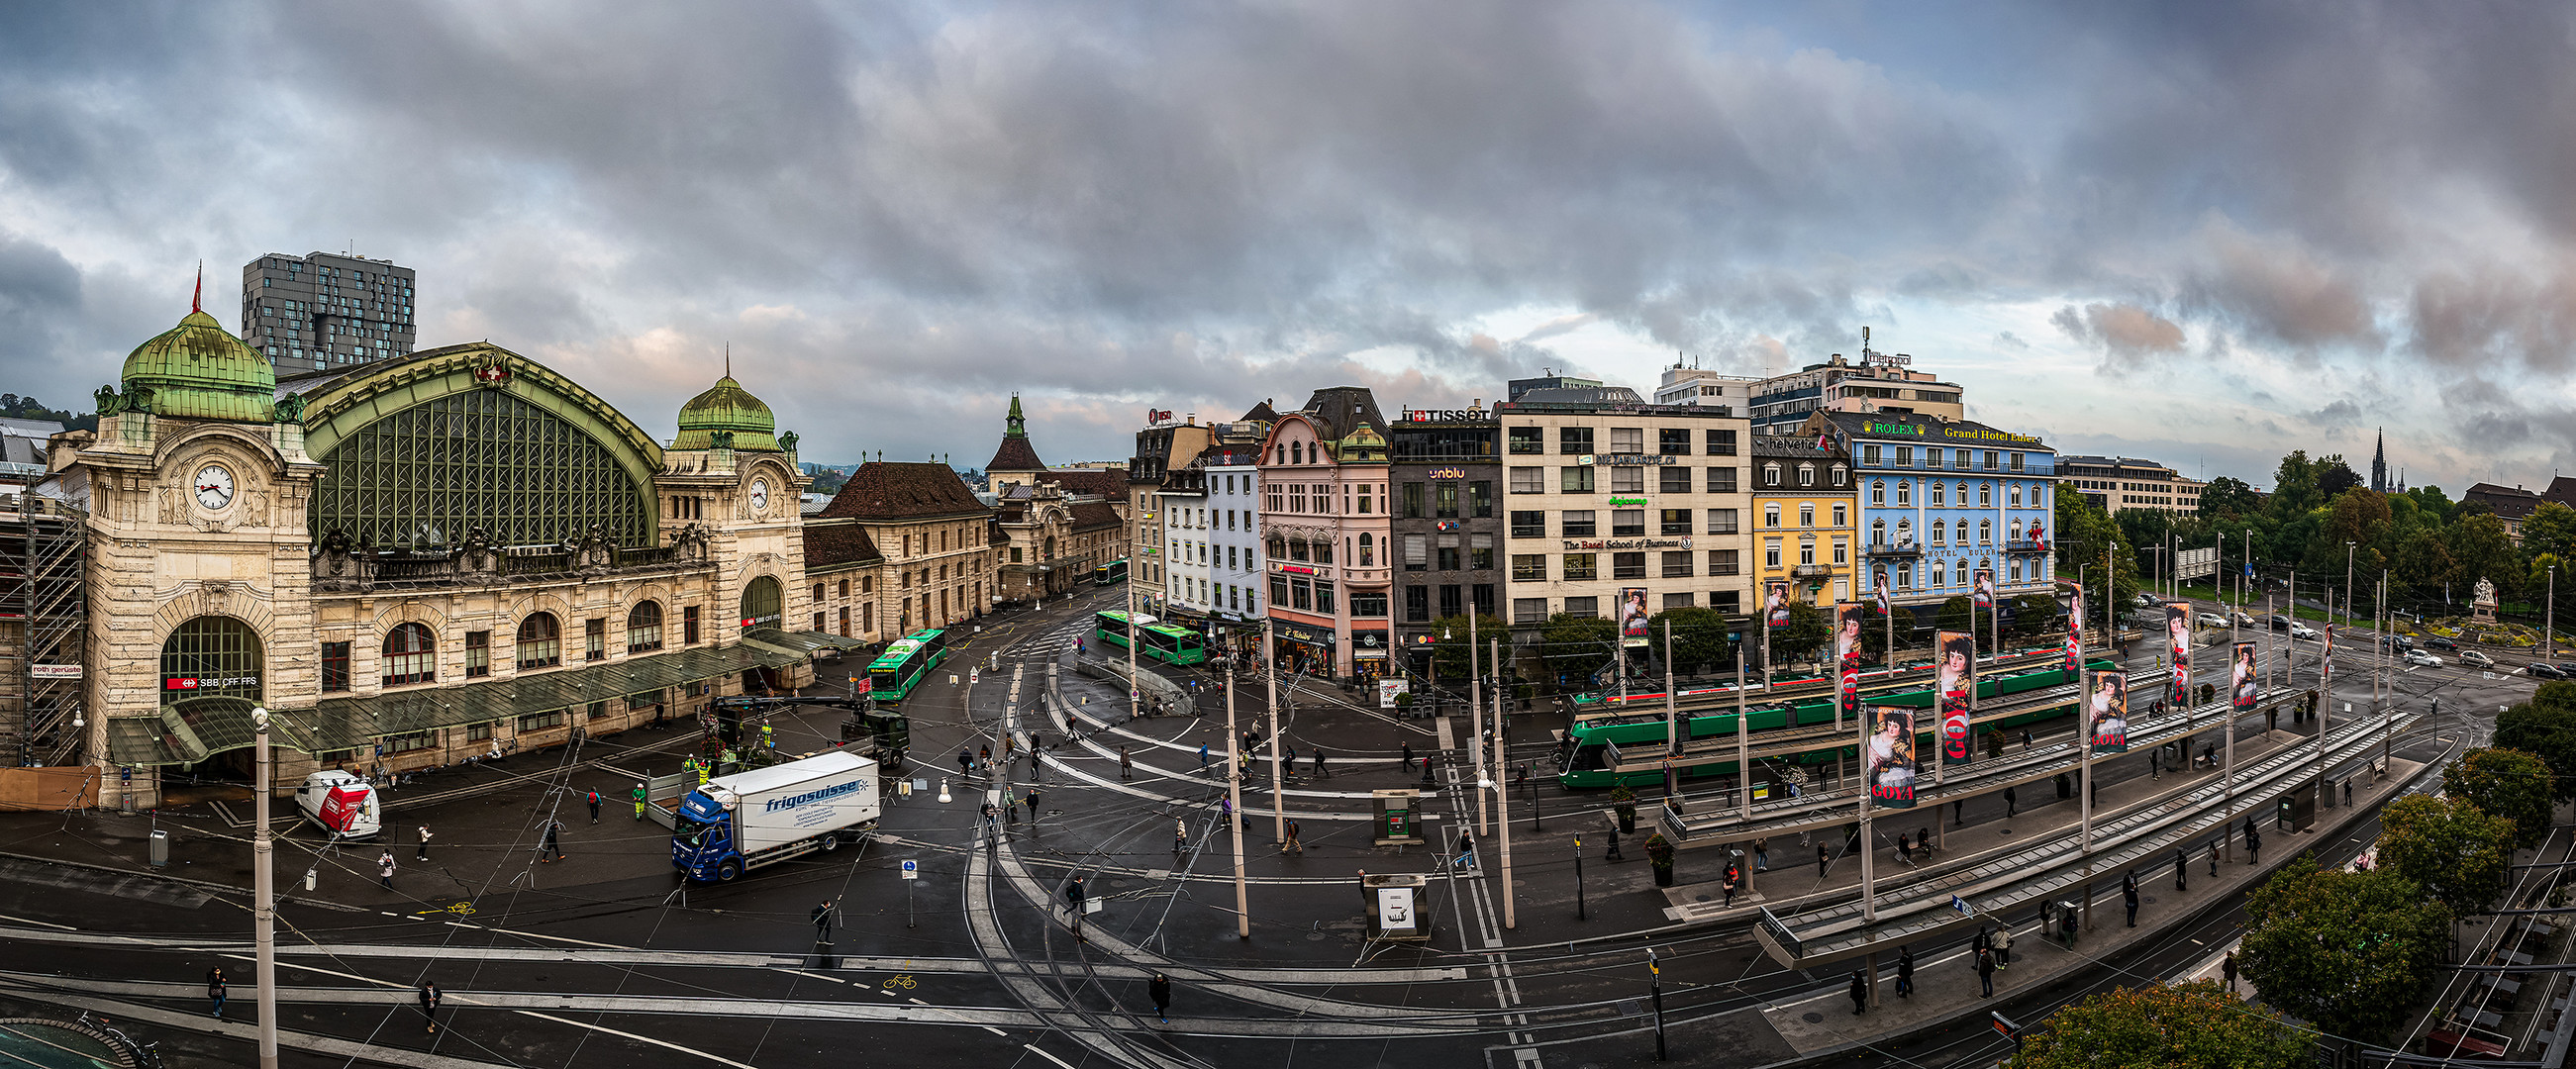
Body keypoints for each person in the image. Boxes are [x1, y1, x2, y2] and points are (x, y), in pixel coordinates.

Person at [1063, 876, 1088, 942]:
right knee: (1074, 907)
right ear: (1079, 879)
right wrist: (1081, 895)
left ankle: (1083, 912)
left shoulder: (1074, 883)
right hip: (1077, 899)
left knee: (1081, 904)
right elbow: (1077, 892)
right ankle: (1064, 913)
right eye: (1081, 878)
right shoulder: (1077, 885)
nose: (1081, 879)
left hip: (1077, 899)